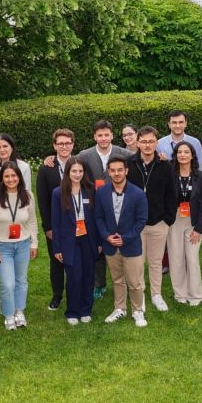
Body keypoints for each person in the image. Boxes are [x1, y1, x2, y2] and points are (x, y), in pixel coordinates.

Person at [79, 121, 133, 299]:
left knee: (121, 243)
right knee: (97, 247)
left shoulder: (124, 153)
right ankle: (98, 284)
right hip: (93, 207)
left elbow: (143, 158)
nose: (103, 138)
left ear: (112, 135)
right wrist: (50, 158)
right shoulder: (84, 155)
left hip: (119, 207)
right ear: (94, 136)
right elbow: (71, 165)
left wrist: (161, 156)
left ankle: (126, 282)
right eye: (100, 135)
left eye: (106, 135)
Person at [128, 126, 177, 311]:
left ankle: (156, 294)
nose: (147, 145)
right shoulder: (129, 164)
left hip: (159, 223)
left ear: (157, 142)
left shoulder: (165, 165)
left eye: (151, 141)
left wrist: (167, 220)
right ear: (137, 143)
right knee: (138, 262)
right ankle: (139, 295)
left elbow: (172, 194)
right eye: (144, 141)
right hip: (135, 225)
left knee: (156, 262)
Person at [96, 157, 148, 325]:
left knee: (134, 282)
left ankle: (138, 311)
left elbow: (141, 220)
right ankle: (120, 308)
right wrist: (106, 236)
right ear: (108, 172)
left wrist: (125, 238)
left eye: (120, 170)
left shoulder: (138, 193)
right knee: (117, 280)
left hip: (131, 245)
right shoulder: (101, 192)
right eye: (113, 170)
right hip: (110, 245)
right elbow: (99, 218)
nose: (117, 173)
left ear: (126, 171)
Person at [0, 163, 38, 330]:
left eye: (14, 175)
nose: (11, 179)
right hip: (2, 246)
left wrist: (34, 243)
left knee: (21, 280)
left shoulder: (28, 196)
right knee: (7, 284)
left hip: (23, 244)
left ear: (19, 177)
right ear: (1, 178)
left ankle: (19, 311)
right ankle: (8, 314)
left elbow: (32, 221)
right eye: (6, 176)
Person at [51, 157, 101, 324]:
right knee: (74, 277)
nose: (77, 174)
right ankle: (72, 311)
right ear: (68, 172)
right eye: (74, 171)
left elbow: (97, 217)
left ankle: (86, 309)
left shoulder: (91, 189)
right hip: (69, 241)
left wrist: (99, 242)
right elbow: (56, 223)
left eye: (80, 171)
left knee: (88, 275)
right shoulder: (58, 193)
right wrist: (57, 248)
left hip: (89, 239)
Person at [36, 128, 75, 311]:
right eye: (60, 143)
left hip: (77, 223)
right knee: (56, 260)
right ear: (54, 146)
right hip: (56, 224)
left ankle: (75, 293)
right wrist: (48, 227)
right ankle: (57, 295)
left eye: (67, 143)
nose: (64, 146)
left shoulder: (79, 165)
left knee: (75, 260)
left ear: (73, 145)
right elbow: (42, 200)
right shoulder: (46, 168)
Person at [166, 141, 202, 306]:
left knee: (192, 259)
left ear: (192, 155)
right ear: (175, 155)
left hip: (193, 219)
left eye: (186, 152)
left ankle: (196, 295)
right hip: (175, 220)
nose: (182, 155)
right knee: (176, 258)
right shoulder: (170, 174)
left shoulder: (200, 176)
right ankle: (180, 294)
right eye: (179, 152)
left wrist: (199, 229)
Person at [0, 133, 33, 202]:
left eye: (5, 146)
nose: (2, 150)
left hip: (15, 206)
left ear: (12, 147)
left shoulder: (24, 167)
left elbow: (26, 191)